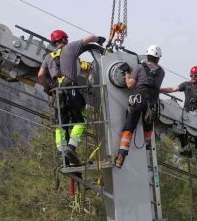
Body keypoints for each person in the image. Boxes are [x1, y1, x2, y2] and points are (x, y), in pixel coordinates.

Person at [38, 30, 105, 165]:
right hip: (71, 88)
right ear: (64, 40)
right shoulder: (71, 47)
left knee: (61, 123)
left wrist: (48, 89)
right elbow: (90, 38)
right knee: (80, 121)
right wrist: (98, 40)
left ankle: (61, 153)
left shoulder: (48, 57)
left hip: (57, 92)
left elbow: (40, 75)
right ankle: (71, 148)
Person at [114, 45, 165, 168]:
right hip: (152, 105)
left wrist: (127, 73)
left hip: (138, 101)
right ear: (158, 58)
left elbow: (130, 85)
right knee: (148, 127)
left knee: (129, 128)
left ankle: (121, 157)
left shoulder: (139, 67)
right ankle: (147, 147)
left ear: (147, 56)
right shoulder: (161, 72)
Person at [160, 65, 197, 163]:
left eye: (195, 76)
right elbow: (173, 89)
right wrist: (161, 90)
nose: (192, 78)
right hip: (186, 114)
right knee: (179, 128)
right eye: (191, 75)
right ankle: (186, 149)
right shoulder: (186, 85)